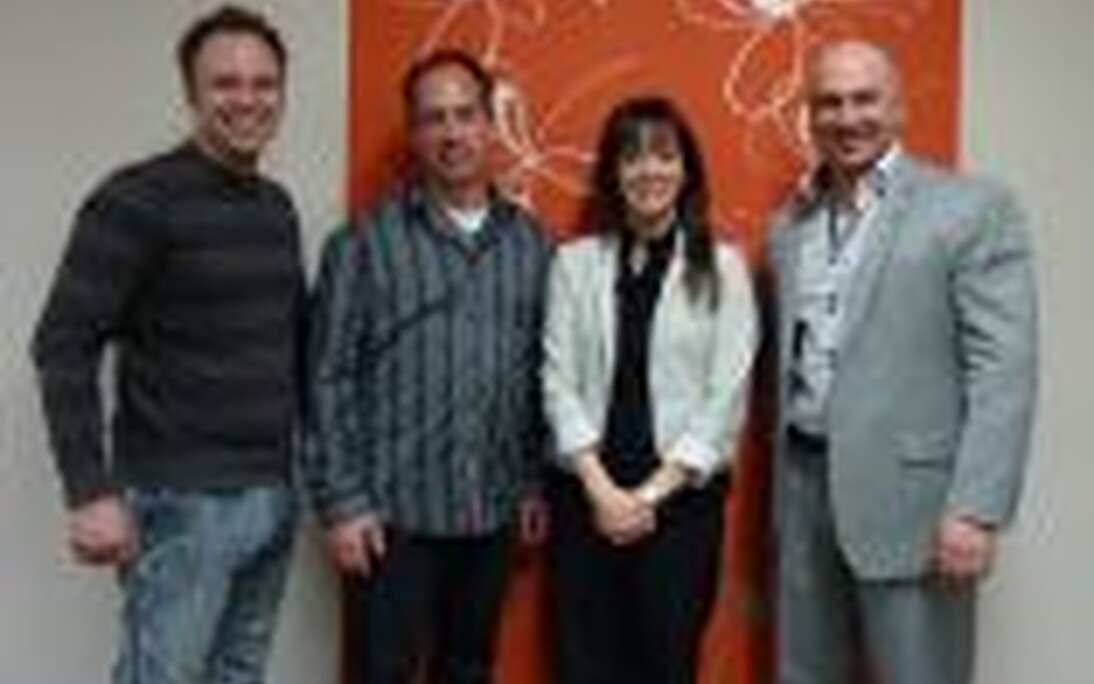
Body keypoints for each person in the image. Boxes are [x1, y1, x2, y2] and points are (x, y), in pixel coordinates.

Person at [30, 5, 303, 683]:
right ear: (191, 93)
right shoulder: (136, 201)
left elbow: (286, 344)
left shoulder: (276, 208)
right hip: (183, 504)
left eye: (264, 83)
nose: (247, 99)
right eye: (225, 83)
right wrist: (90, 492)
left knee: (237, 674)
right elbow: (62, 344)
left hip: (272, 494)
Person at [767, 40, 1038, 684]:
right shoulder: (791, 224)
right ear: (810, 116)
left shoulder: (972, 208)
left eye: (865, 99)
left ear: (899, 107)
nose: (847, 117)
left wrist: (975, 509)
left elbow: (1003, 368)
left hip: (916, 505)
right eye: (829, 103)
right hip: (802, 487)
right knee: (804, 672)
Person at [306, 49, 552, 684]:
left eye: (465, 115)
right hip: (391, 519)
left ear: (489, 124)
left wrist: (531, 482)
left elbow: (537, 377)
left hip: (490, 511)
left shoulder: (532, 245)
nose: (451, 133)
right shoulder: (363, 244)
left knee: (468, 670)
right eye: (433, 118)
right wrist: (342, 503)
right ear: (414, 133)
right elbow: (327, 379)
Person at [541, 96, 759, 684]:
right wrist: (602, 491)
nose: (649, 171)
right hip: (585, 496)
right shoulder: (574, 263)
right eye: (632, 157)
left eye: (664, 155)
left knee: (667, 665)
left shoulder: (724, 267)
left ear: (686, 170)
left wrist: (646, 499)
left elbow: (725, 400)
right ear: (613, 172)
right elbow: (556, 381)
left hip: (681, 507)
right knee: (583, 667)